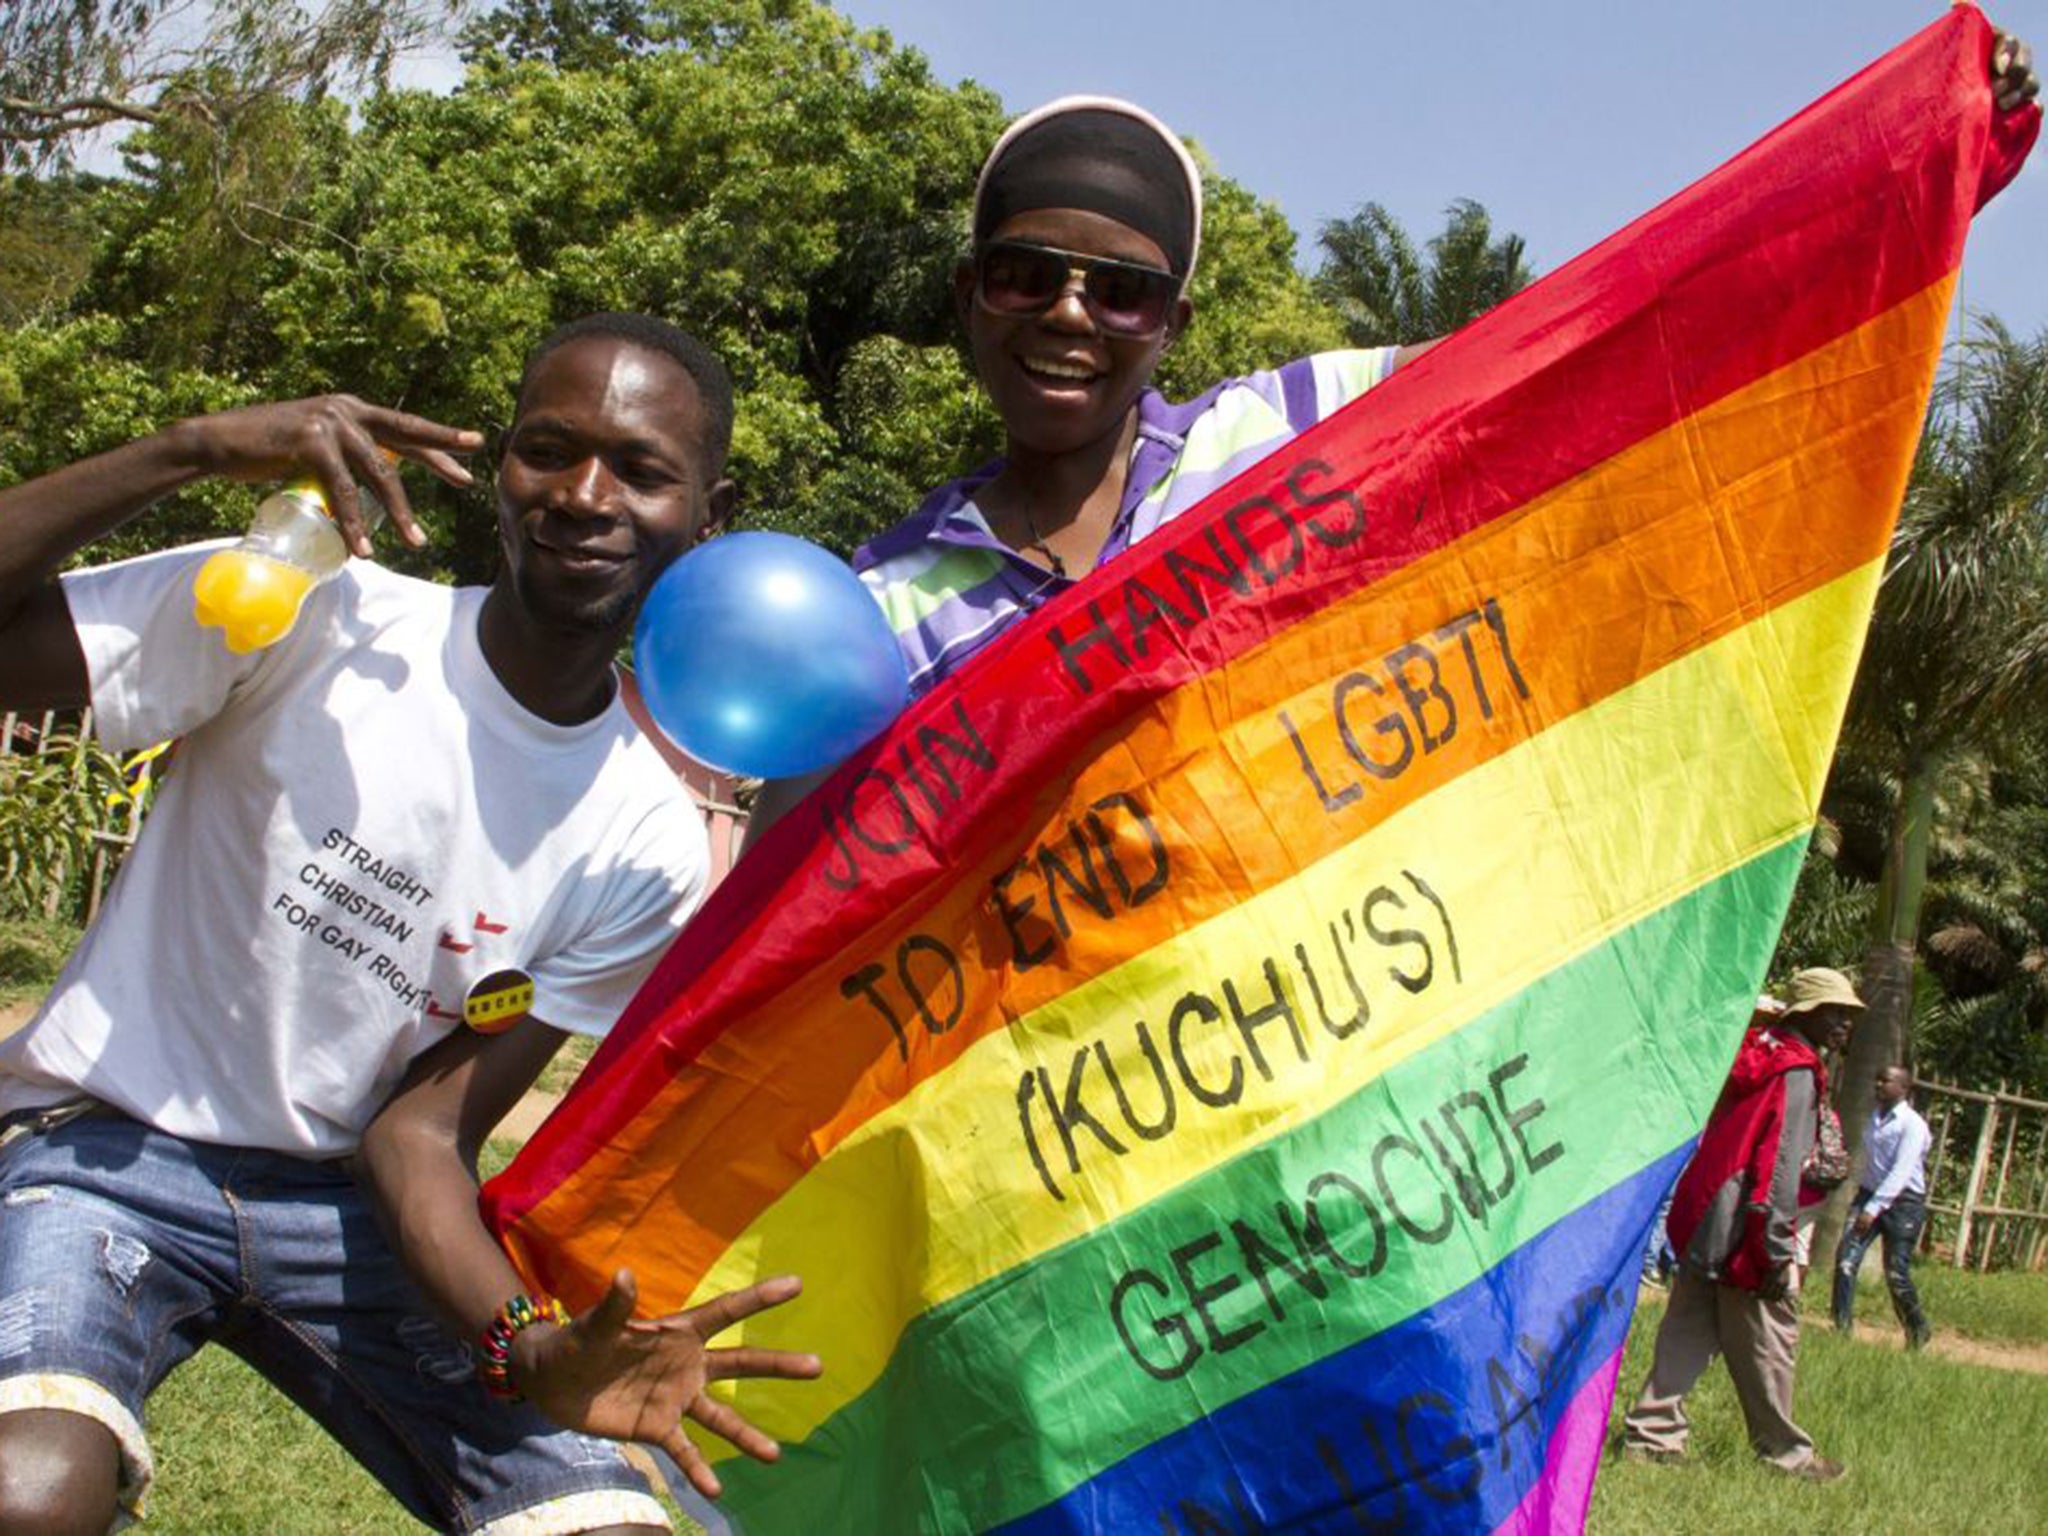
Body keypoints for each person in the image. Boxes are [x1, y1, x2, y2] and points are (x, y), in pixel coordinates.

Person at [0, 313, 819, 1533]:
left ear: (707, 511)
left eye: (640, 469)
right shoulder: (309, 610)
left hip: (342, 1214)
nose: (584, 495)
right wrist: (189, 448)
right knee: (27, 1488)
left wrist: (532, 1349)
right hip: (110, 1152)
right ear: (499, 471)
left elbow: (418, 1140)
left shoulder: (645, 840)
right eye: (549, 449)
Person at [1619, 968, 1864, 1480]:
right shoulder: (1797, 1071)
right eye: (1835, 1011)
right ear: (1806, 1014)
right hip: (1744, 1227)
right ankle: (1786, 1454)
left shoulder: (1755, 1052)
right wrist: (1773, 1249)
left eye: (1849, 1013)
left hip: (1705, 1211)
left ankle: (1651, 1434)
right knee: (1770, 1337)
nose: (1845, 1021)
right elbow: (1777, 1165)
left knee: (1688, 1326)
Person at [1832, 1064, 1933, 1348]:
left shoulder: (1913, 1125)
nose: (1878, 1085)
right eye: (1877, 1080)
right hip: (1869, 1195)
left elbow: (1901, 1171)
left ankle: (1916, 1328)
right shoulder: (1875, 1118)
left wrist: (1872, 1208)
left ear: (1903, 1088)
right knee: (1846, 1261)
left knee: (1895, 1271)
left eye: (1885, 1081)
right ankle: (1841, 1327)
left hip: (1903, 1203)